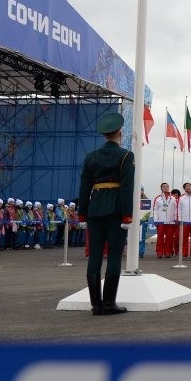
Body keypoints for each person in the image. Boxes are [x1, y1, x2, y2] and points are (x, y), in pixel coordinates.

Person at [77, 112, 134, 315]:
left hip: (95, 208)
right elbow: (127, 187)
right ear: (120, 132)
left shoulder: (91, 156)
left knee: (94, 256)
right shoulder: (126, 155)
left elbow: (84, 187)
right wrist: (128, 215)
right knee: (115, 256)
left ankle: (96, 305)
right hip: (117, 209)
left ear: (104, 135)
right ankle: (109, 303)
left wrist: (81, 213)